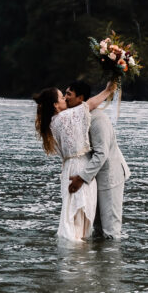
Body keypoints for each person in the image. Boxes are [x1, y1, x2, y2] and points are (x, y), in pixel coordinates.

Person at [33, 80, 116, 241]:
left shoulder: (52, 122)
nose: (65, 98)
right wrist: (107, 91)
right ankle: (78, 254)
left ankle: (76, 252)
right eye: (61, 98)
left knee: (73, 212)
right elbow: (89, 104)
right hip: (79, 167)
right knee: (79, 213)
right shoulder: (65, 118)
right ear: (56, 106)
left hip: (69, 169)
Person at [67, 81, 131, 239]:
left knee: (110, 228)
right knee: (97, 227)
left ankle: (112, 261)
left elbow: (101, 154)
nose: (66, 97)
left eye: (69, 94)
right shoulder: (79, 117)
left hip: (110, 177)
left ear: (80, 98)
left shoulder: (97, 120)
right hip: (95, 177)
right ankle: (99, 261)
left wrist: (81, 178)